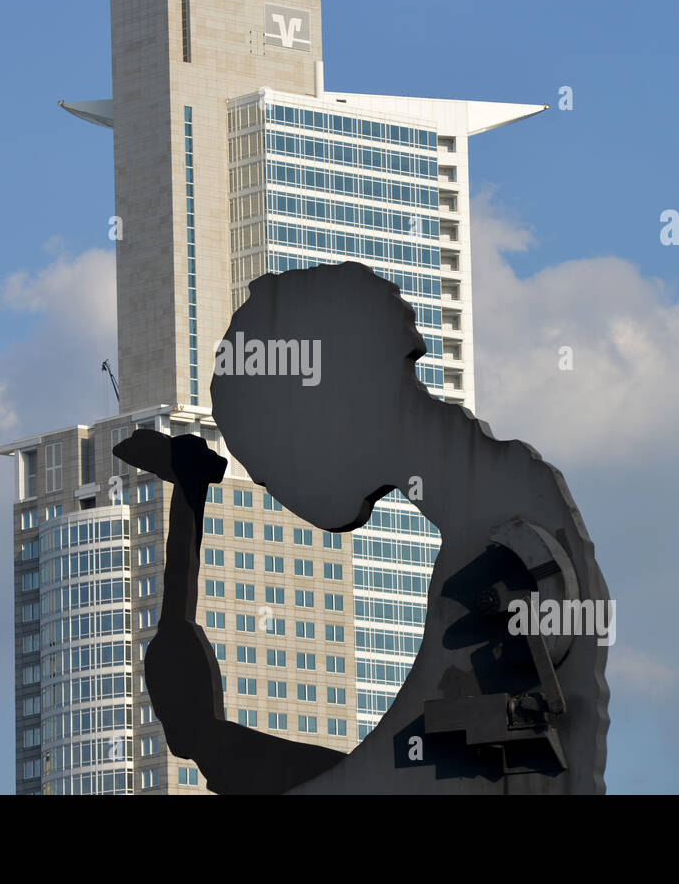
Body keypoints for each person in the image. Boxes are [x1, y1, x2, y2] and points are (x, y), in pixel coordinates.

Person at [116, 261, 610, 794]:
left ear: (328, 407)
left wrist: (204, 737)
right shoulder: (495, 500)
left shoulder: (490, 550)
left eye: (272, 456)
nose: (272, 482)